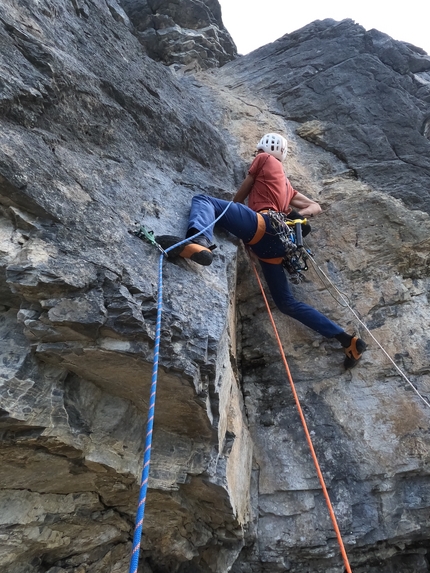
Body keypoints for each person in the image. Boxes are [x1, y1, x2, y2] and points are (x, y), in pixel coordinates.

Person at [158, 133, 366, 369]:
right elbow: (315, 206)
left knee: (205, 201)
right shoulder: (288, 188)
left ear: (265, 149)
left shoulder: (265, 159)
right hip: (276, 247)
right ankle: (347, 340)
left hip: (261, 225)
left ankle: (198, 241)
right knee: (286, 303)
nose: (255, 156)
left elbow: (244, 190)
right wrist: (295, 216)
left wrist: (230, 211)